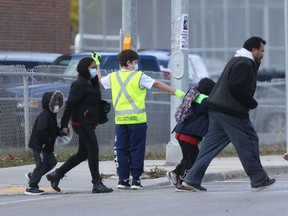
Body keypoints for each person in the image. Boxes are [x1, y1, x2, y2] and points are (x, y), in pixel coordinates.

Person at [180, 36, 276, 192]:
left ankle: (191, 179)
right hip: (232, 112)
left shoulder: (237, 60)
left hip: (217, 110)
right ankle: (259, 179)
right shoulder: (245, 63)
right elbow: (235, 87)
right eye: (262, 51)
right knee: (249, 141)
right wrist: (250, 102)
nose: (263, 54)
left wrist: (256, 64)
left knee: (208, 148)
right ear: (253, 50)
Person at [100, 49, 185, 190]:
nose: (136, 65)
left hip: (120, 121)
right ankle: (136, 180)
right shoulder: (139, 76)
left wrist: (97, 65)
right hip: (137, 121)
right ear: (128, 63)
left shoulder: (112, 76)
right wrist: (176, 91)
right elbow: (157, 84)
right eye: (134, 62)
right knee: (137, 150)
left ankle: (123, 180)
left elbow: (99, 82)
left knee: (121, 150)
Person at [46, 56, 113, 194]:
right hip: (81, 122)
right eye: (92, 67)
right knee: (93, 149)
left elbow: (92, 98)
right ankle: (97, 183)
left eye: (95, 67)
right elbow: (70, 104)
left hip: (90, 121)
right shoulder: (79, 84)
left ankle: (56, 174)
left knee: (83, 154)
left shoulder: (93, 81)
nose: (94, 70)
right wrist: (64, 124)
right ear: (84, 69)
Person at [166, 78, 215, 190]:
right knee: (193, 160)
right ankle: (183, 181)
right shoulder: (204, 101)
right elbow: (214, 107)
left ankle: (175, 174)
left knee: (189, 158)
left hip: (183, 133)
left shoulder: (195, 96)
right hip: (188, 135)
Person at [24, 90, 64, 195]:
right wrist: (46, 142)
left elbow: (52, 129)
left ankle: (33, 175)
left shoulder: (52, 115)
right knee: (41, 165)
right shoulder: (44, 116)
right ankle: (31, 186)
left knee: (52, 162)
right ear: (49, 103)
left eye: (58, 102)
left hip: (46, 146)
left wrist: (60, 132)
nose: (56, 104)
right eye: (54, 102)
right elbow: (41, 131)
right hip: (40, 145)